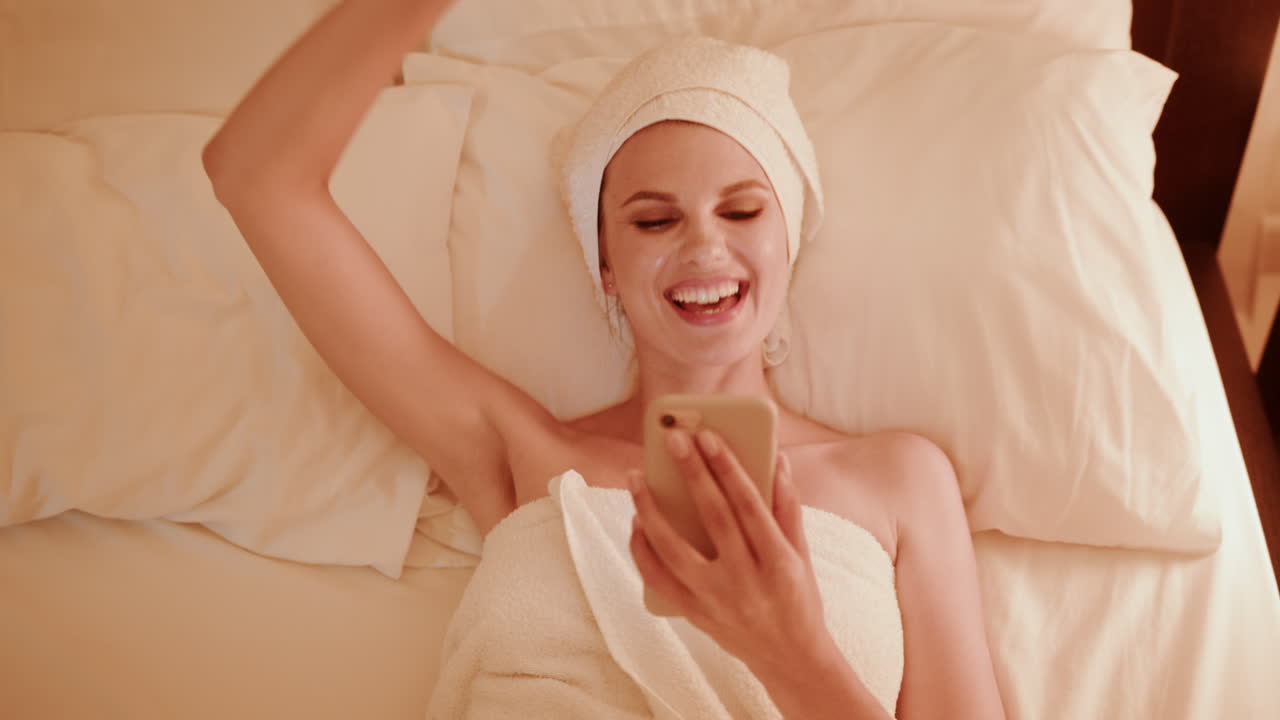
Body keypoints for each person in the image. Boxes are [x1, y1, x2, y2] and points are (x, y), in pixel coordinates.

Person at [203, 1, 1005, 717]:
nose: (703, 245)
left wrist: (795, 652)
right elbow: (255, 178)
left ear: (788, 240)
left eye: (742, 209)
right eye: (654, 221)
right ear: (605, 268)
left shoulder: (898, 482)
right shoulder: (526, 454)